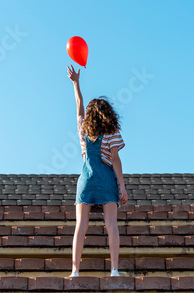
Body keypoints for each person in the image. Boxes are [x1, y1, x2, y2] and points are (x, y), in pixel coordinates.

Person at [67, 64, 129, 277]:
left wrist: (76, 83)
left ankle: (75, 271)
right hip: (105, 178)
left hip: (86, 178)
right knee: (111, 223)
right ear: (107, 114)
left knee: (80, 226)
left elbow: (78, 105)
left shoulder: (83, 128)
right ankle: (114, 269)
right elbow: (115, 159)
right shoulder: (111, 132)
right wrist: (122, 187)